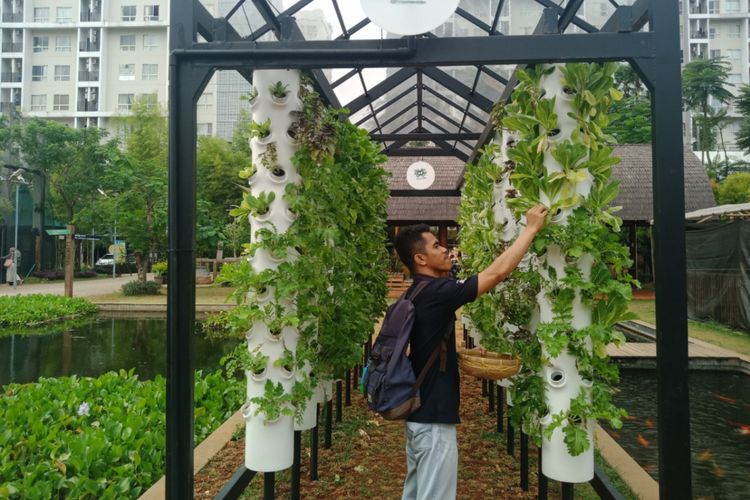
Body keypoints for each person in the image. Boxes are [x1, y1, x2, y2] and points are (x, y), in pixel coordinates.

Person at [393, 204, 548, 500]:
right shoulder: (437, 294)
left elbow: (429, 342)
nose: (446, 250)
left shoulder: (416, 292)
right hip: (433, 420)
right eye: (437, 245)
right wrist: (530, 229)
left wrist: (457, 353)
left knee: (416, 493)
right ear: (420, 258)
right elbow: (498, 272)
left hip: (419, 416)